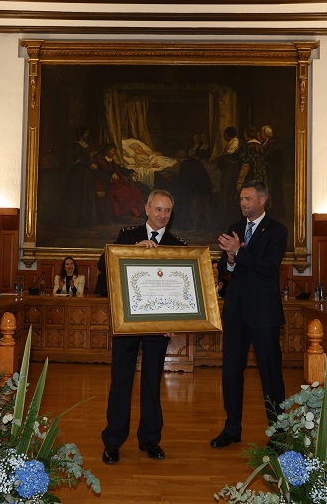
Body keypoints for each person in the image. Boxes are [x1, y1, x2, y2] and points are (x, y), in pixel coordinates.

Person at [101, 189, 186, 464]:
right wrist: (131, 250)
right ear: (147, 208)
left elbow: (181, 291)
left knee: (152, 381)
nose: (163, 215)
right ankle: (113, 441)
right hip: (127, 322)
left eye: (168, 211)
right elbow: (103, 264)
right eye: (158, 209)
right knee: (121, 380)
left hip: (159, 327)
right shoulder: (126, 235)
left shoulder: (177, 244)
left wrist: (174, 320)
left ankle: (150, 439)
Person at [211, 180, 287, 449]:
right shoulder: (234, 228)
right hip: (235, 313)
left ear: (262, 200)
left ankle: (278, 434)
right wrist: (230, 259)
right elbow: (225, 266)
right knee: (231, 373)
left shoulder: (277, 230)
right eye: (241, 199)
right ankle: (232, 429)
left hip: (264, 315)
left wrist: (239, 252)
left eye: (248, 199)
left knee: (270, 375)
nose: (243, 203)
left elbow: (268, 267)